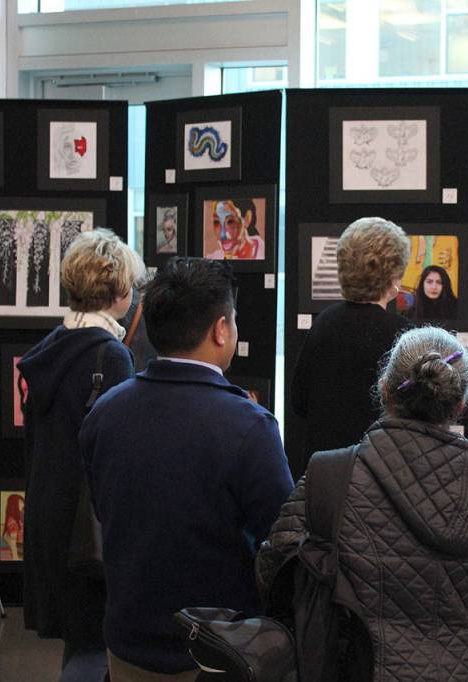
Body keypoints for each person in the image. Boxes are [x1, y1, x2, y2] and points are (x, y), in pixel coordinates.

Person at [259, 326, 468, 681]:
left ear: (384, 390)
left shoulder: (330, 475)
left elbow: (273, 570)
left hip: (355, 669)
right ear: (461, 404)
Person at [79, 257, 294, 681]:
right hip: (218, 652)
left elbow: (106, 511)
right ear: (220, 329)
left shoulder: (105, 412)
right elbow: (282, 537)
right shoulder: (249, 426)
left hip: (126, 641)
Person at [18, 228, 145, 682]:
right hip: (87, 522)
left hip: (51, 509)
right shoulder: (110, 356)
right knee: (93, 644)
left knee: (78, 640)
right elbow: (114, 450)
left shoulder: (51, 346)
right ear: (121, 290)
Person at [289, 217, 410, 478]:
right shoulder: (403, 335)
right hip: (383, 477)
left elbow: (299, 401)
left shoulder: (324, 323)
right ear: (393, 275)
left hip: (325, 474)